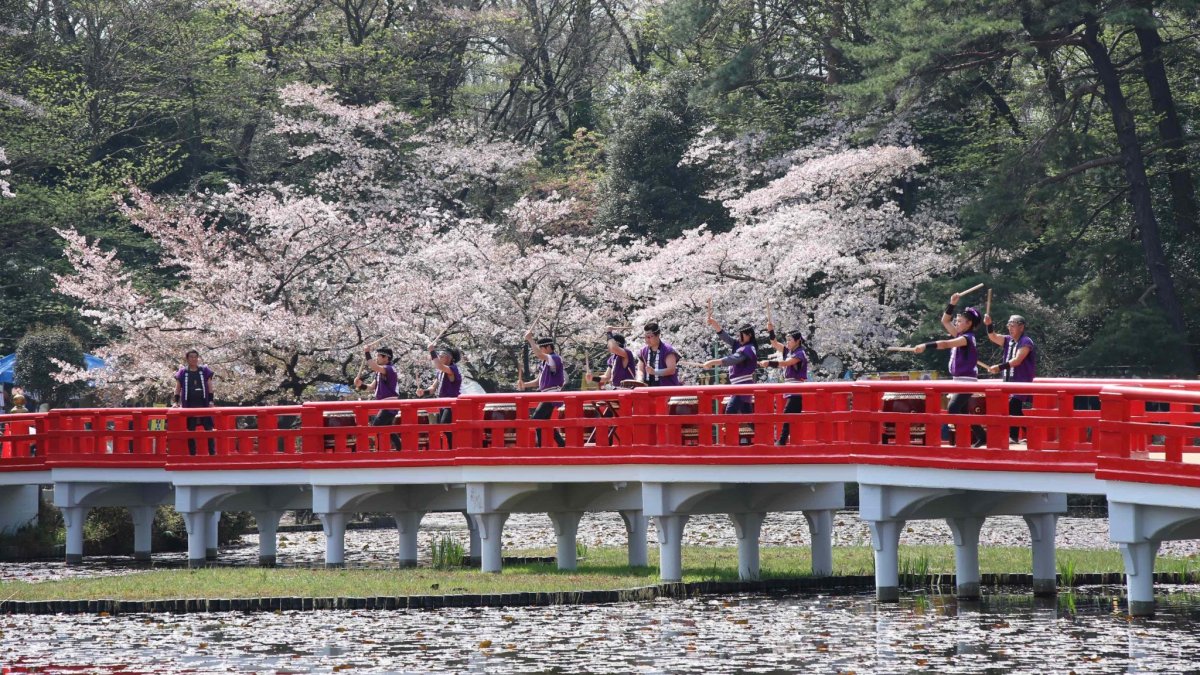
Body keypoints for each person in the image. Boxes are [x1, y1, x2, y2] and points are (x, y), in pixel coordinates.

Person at [914, 293, 985, 447]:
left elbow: (945, 344)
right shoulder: (960, 334)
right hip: (959, 379)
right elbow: (945, 320)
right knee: (963, 411)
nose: (956, 323)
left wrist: (926, 346)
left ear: (968, 324)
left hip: (967, 380)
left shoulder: (967, 338)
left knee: (953, 409)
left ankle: (965, 439)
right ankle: (981, 436)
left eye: (959, 321)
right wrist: (952, 303)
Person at [699, 317, 758, 443]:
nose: (738, 337)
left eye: (741, 335)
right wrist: (715, 324)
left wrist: (713, 362)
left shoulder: (748, 348)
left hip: (742, 385)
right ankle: (764, 438)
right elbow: (727, 339)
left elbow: (733, 359)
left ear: (748, 335)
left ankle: (730, 442)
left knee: (730, 411)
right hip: (740, 385)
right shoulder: (742, 345)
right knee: (748, 417)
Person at [984, 313, 1036, 442]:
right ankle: (1029, 433)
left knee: (1013, 405)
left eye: (1013, 325)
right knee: (1015, 408)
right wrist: (989, 324)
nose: (1010, 328)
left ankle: (1014, 436)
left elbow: (1017, 360)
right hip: (1009, 381)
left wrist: (999, 367)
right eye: (1009, 325)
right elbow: (993, 336)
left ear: (1021, 327)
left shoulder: (1026, 341)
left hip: (1021, 380)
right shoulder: (1008, 340)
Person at [758, 322, 808, 445]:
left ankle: (782, 441)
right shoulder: (789, 351)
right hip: (789, 389)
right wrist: (771, 331)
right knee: (790, 417)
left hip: (796, 389)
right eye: (787, 340)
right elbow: (774, 344)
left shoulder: (800, 353)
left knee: (787, 415)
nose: (787, 342)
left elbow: (786, 363)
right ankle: (788, 442)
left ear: (797, 341)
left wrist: (769, 363)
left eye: (790, 340)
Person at [516, 330, 566, 448]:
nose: (540, 351)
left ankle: (541, 446)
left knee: (536, 420)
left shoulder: (555, 358)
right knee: (544, 422)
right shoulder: (544, 363)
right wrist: (524, 384)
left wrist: (530, 340)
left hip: (551, 394)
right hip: (546, 394)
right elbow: (538, 382)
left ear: (548, 347)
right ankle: (561, 444)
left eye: (541, 348)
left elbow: (538, 354)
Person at [354, 346, 400, 451]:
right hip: (384, 404)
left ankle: (379, 451)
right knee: (388, 429)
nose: (377, 358)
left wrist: (367, 353)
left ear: (386, 358)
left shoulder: (389, 369)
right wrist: (361, 385)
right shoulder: (380, 371)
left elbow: (374, 366)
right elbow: (371, 387)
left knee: (376, 426)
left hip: (389, 404)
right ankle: (400, 449)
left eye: (379, 356)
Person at [417, 343, 461, 448]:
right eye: (439, 354)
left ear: (449, 358)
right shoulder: (440, 372)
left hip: (451, 404)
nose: (440, 356)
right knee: (445, 428)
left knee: (446, 426)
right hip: (442, 403)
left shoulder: (452, 369)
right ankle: (452, 449)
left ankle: (454, 449)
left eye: (442, 355)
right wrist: (423, 392)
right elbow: (433, 388)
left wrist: (432, 351)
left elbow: (438, 365)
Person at [173, 350, 215, 455]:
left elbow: (210, 386)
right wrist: (176, 402)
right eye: (191, 357)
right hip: (189, 404)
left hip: (203, 403)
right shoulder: (183, 372)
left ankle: (212, 453)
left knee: (209, 428)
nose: (194, 359)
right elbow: (178, 387)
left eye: (196, 357)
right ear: (187, 359)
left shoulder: (204, 370)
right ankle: (192, 453)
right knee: (191, 429)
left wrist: (211, 400)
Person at [637, 322, 681, 386]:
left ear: (657, 335)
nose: (647, 340)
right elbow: (640, 369)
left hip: (666, 388)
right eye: (645, 337)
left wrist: (655, 372)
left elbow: (671, 370)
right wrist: (639, 379)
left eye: (649, 337)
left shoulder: (667, 350)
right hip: (648, 387)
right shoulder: (643, 351)